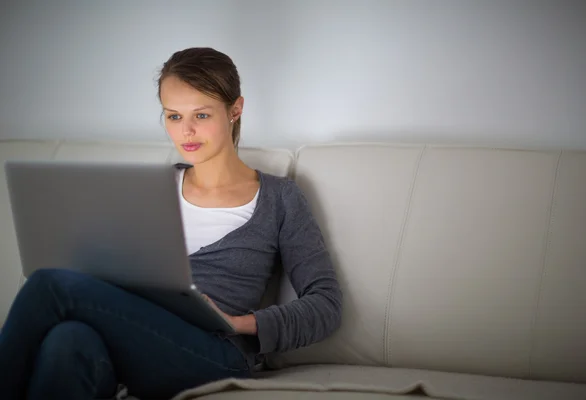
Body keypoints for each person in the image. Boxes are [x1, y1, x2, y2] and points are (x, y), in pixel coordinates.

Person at [0, 47, 343, 400]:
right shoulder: (150, 188)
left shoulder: (280, 198)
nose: (187, 131)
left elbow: (327, 304)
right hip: (141, 336)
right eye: (174, 116)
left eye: (202, 115)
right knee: (68, 340)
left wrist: (239, 322)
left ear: (235, 110)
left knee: (50, 285)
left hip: (216, 351)